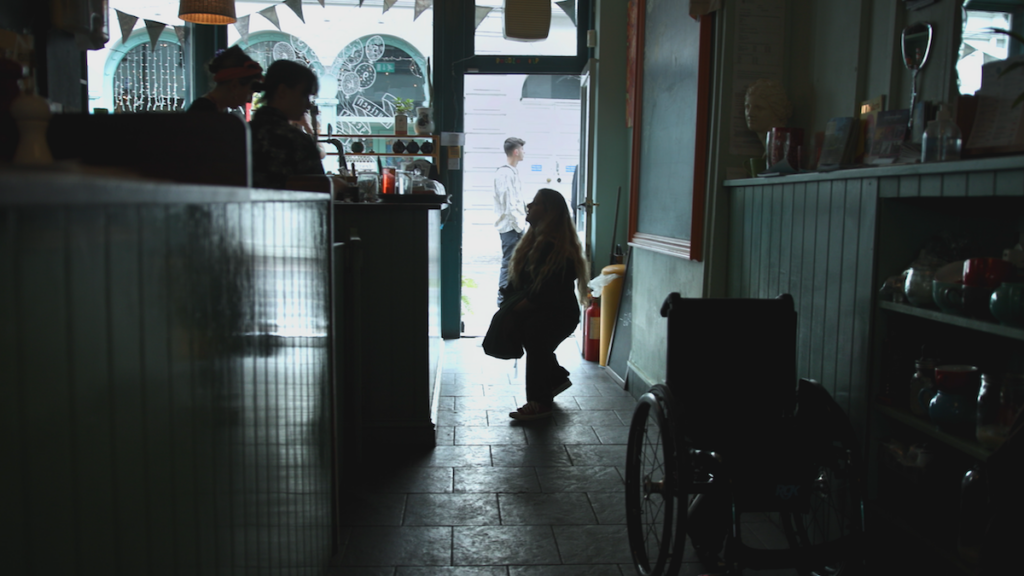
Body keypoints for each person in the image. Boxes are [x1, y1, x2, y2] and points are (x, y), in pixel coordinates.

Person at [504, 188, 590, 421]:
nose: (529, 206)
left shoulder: (555, 247)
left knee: (535, 336)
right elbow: (521, 282)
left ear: (549, 212)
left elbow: (548, 291)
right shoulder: (532, 241)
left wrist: (518, 307)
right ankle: (555, 378)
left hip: (559, 313)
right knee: (531, 335)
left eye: (536, 204)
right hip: (544, 308)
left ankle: (539, 402)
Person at [249, 60, 325, 189]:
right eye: (304, 95)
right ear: (282, 91)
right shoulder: (297, 141)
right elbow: (319, 192)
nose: (308, 104)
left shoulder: (242, 133)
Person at [493, 137, 527, 307]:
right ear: (516, 151)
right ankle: (503, 302)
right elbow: (509, 203)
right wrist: (519, 226)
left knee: (516, 263)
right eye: (522, 149)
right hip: (511, 227)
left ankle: (510, 299)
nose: (523, 152)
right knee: (509, 264)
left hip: (514, 226)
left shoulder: (511, 172)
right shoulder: (505, 173)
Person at [187, 46, 264, 114]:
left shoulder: (207, 108)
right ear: (234, 85)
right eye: (249, 93)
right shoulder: (204, 112)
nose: (249, 100)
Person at [744, 78, 792, 155]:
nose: (750, 113)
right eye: (747, 107)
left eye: (759, 108)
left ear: (776, 111)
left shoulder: (781, 149)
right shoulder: (770, 146)